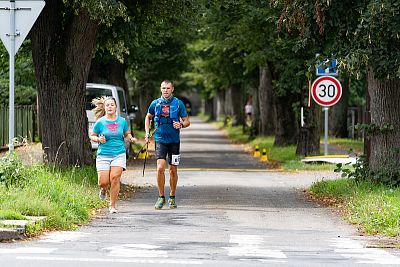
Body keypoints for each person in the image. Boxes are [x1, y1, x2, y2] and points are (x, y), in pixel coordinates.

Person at [144, 80, 190, 209]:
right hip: (160, 139)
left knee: (173, 170)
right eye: (163, 88)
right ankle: (160, 197)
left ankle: (172, 196)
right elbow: (148, 117)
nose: (165, 90)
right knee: (160, 168)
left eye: (168, 88)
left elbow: (187, 121)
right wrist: (147, 133)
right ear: (160, 89)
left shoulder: (178, 104)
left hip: (174, 141)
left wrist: (181, 124)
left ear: (172, 89)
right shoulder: (155, 103)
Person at [90, 96, 137, 214]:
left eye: (112, 105)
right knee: (103, 182)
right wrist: (98, 139)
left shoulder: (122, 121)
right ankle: (103, 189)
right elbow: (92, 135)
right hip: (103, 155)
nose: (110, 107)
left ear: (116, 107)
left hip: (119, 153)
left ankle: (112, 205)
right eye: (107, 105)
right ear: (105, 108)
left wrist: (131, 138)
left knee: (115, 178)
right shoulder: (100, 122)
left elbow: (127, 133)